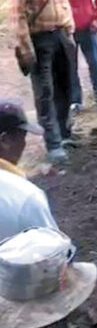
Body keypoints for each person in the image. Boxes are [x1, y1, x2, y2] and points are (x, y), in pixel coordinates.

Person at [8, 0, 76, 163]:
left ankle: (64, 135)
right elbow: (17, 17)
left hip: (61, 35)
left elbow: (65, 3)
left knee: (65, 87)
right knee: (45, 92)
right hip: (40, 39)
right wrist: (27, 50)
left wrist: (69, 31)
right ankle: (53, 144)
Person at [0, 101, 59, 241]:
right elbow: (51, 255)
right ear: (5, 140)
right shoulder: (27, 197)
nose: (24, 144)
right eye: (23, 136)